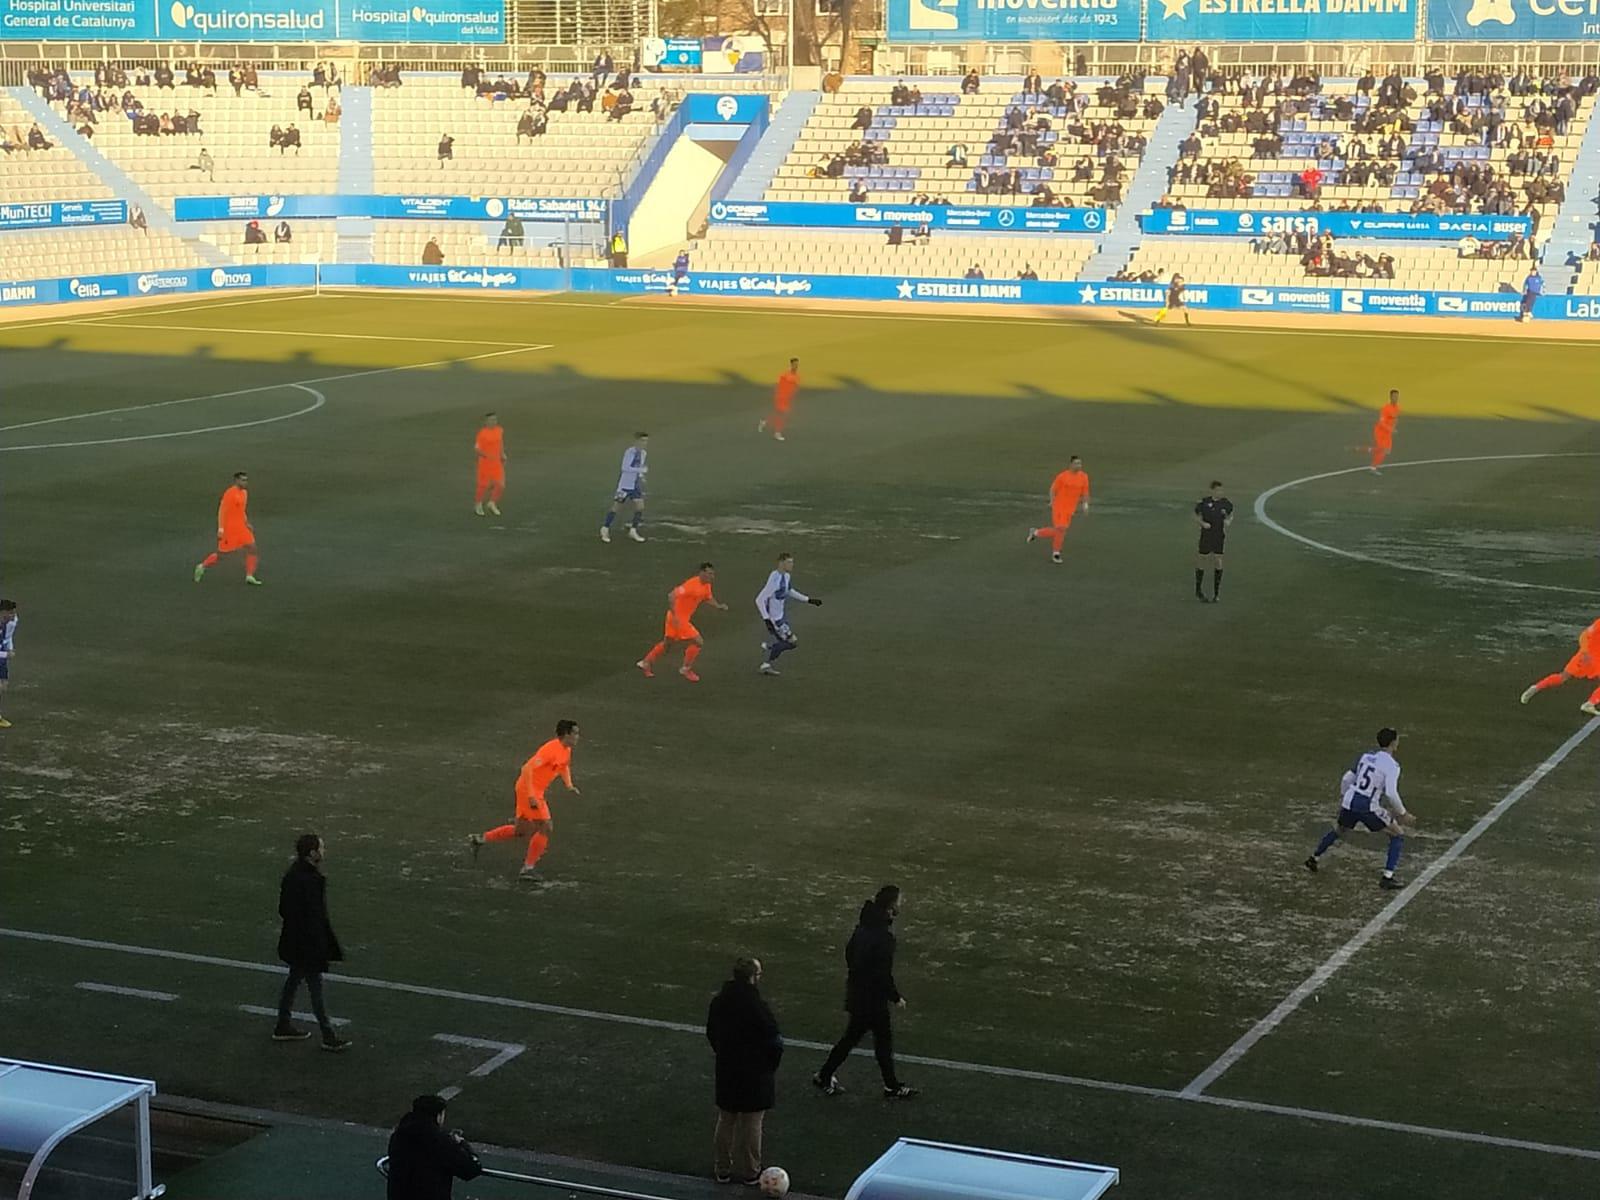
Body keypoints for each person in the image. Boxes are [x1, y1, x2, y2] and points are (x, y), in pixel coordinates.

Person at [812, 886, 918, 1100]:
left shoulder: (863, 928)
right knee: (880, 1042)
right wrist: (895, 997)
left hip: (858, 994)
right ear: (890, 907)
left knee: (853, 1038)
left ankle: (825, 1074)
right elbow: (882, 973)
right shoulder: (884, 938)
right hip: (873, 1000)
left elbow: (850, 954)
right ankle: (891, 1086)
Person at [468, 720, 582, 884]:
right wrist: (531, 796)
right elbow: (527, 768)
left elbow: (564, 766)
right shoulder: (550, 750)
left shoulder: (566, 750)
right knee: (546, 826)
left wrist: (569, 785)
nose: (578, 737)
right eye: (576, 733)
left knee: (521, 830)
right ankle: (528, 869)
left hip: (532, 790)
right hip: (530, 791)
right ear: (566, 734)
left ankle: (480, 839)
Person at [1304, 728, 1416, 890]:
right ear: (1393, 743)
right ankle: (1388, 877)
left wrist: (1344, 797)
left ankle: (1314, 858)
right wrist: (1403, 813)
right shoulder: (1392, 766)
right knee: (1397, 834)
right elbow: (1391, 793)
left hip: (1350, 800)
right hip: (1367, 806)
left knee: (1339, 829)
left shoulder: (1366, 756)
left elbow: (1347, 778)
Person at [705, 957, 783, 1186]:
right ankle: (751, 1171)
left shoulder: (719, 1002)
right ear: (752, 977)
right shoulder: (758, 1006)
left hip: (728, 1068)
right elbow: (774, 1041)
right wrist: (769, 1066)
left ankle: (722, 1169)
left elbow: (712, 1032)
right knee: (752, 1123)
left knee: (726, 1119)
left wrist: (723, 1053)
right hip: (755, 1072)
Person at [273, 833, 352, 1049]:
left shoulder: (294, 875)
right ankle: (328, 1035)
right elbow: (317, 919)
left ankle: (283, 1024)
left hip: (295, 943)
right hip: (307, 946)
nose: (323, 852)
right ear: (312, 853)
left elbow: (285, 910)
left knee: (294, 981)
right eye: (321, 848)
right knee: (315, 988)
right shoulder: (311, 880)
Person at [637, 563, 727, 682]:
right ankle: (686, 669)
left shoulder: (706, 585)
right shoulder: (690, 585)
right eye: (710, 574)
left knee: (667, 644)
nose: (712, 576)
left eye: (713, 574)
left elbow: (707, 597)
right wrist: (675, 616)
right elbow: (671, 595)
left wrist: (718, 606)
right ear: (702, 573)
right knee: (698, 642)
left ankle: (645, 663)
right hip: (678, 619)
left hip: (674, 618)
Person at [386, 1095, 483, 1200]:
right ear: (439, 1115)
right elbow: (471, 1169)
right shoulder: (439, 1140)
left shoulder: (399, 1135)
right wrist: (463, 1144)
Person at [756, 552, 822, 677]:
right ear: (781, 563)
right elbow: (759, 599)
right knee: (792, 642)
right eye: (789, 562)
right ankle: (768, 658)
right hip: (775, 619)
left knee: (787, 642)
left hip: (781, 617)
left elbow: (789, 590)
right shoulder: (774, 580)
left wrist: (808, 600)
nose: (792, 565)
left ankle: (769, 653)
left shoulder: (786, 576)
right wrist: (767, 620)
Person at [1520, 616, 1600, 716]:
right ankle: (1536, 687)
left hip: (1591, 656)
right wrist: (1586, 652)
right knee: (1563, 677)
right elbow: (1584, 636)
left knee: (1563, 677)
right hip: (1589, 656)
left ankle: (1536, 687)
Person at [194, 471, 261, 585]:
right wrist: (221, 528)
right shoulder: (230, 493)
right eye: (243, 480)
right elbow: (222, 510)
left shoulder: (244, 493)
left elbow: (241, 509)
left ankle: (249, 576)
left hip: (241, 528)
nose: (245, 482)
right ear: (236, 481)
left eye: (246, 480)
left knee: (253, 548)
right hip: (230, 529)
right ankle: (202, 566)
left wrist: (246, 522)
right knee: (222, 556)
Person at [1026, 455, 1091, 565]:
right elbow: (1053, 489)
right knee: (1061, 529)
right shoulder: (1063, 476)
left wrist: (1085, 504)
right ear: (1070, 464)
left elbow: (1085, 492)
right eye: (1076, 463)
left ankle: (1036, 532)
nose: (1078, 466)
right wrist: (1052, 501)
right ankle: (1056, 553)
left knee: (1060, 531)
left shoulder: (1084, 477)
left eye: (1080, 463)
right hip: (1059, 506)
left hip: (1070, 509)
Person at [600, 432, 648, 543]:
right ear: (636, 441)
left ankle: (633, 530)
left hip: (635, 486)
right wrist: (640, 470)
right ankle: (605, 528)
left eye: (646, 441)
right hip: (625, 486)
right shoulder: (630, 452)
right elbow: (625, 468)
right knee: (616, 507)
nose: (644, 443)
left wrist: (641, 476)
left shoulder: (643, 453)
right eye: (642, 441)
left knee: (640, 507)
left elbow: (639, 466)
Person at [1193, 480, 1233, 603]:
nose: (1220, 492)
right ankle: (1198, 590)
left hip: (1218, 536)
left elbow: (1231, 514)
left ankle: (1216, 593)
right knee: (1202, 559)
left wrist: (1229, 521)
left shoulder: (1226, 503)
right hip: (1206, 535)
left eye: (1221, 490)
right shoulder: (1204, 502)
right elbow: (1195, 515)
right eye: (1218, 490)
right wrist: (1202, 523)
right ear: (1212, 491)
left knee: (1218, 560)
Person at [758, 357, 799, 441]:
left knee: (779, 415)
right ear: (791, 364)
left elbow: (794, 387)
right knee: (782, 416)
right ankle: (777, 433)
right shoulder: (785, 375)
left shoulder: (796, 376)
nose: (796, 366)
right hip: (781, 397)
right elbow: (780, 386)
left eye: (797, 364)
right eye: (794, 364)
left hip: (787, 398)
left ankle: (764, 422)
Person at [473, 413, 506, 516]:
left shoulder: (499, 430)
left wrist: (502, 454)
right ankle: (478, 504)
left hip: (496, 463)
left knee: (500, 485)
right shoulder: (482, 433)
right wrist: (486, 456)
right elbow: (477, 449)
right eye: (491, 420)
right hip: (485, 464)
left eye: (495, 420)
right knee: (483, 486)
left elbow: (500, 443)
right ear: (486, 422)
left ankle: (492, 503)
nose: (493, 422)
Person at [1370, 389, 1400, 472]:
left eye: (1397, 396)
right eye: (1394, 396)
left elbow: (1395, 419)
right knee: (1383, 450)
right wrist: (1390, 429)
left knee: (1387, 451)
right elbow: (1381, 422)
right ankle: (1373, 467)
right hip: (1380, 432)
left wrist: (1393, 428)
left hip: (1388, 432)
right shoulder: (1385, 408)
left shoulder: (1397, 407)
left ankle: (1374, 451)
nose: (1396, 398)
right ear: (1390, 397)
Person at [0, 599, 16, 728]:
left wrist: (10, 648)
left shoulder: (12, 621)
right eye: (10, 613)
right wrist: (6, 655)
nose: (13, 616)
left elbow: (9, 637)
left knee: (3, 684)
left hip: (2, 653)